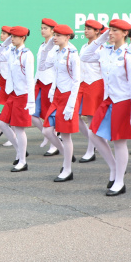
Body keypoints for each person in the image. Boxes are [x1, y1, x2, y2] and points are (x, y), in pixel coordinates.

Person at [82, 19, 131, 196]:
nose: (110, 33)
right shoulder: (105, 50)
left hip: (123, 101)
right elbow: (84, 57)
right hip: (108, 100)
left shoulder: (129, 55)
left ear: (125, 33)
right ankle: (114, 167)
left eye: (115, 30)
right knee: (93, 134)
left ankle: (119, 181)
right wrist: (100, 39)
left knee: (119, 141)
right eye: (110, 30)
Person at [39, 24, 81, 182]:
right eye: (54, 35)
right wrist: (47, 49)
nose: (54, 38)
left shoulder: (73, 55)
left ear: (67, 37)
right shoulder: (56, 52)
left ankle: (67, 169)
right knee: (47, 131)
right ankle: (66, 154)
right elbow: (42, 66)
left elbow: (76, 81)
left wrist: (71, 105)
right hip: (57, 96)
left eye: (58, 35)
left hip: (68, 96)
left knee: (65, 135)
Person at [0, 27, 36, 172]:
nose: (12, 39)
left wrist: (31, 101)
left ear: (23, 38)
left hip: (23, 95)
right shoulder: (10, 51)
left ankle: (22, 161)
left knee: (19, 129)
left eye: (15, 37)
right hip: (12, 93)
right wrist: (4, 44)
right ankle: (19, 151)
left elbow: (30, 79)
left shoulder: (27, 54)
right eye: (11, 36)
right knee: (2, 123)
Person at [77, 20, 106, 163]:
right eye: (85, 28)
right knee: (75, 116)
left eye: (89, 29)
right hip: (82, 84)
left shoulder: (102, 48)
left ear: (97, 32)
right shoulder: (84, 46)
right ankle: (95, 141)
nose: (86, 31)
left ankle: (90, 150)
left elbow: (104, 70)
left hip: (95, 83)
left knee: (91, 119)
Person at [34, 18, 59, 155]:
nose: (42, 30)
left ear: (53, 31)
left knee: (50, 115)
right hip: (39, 82)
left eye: (45, 28)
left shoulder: (56, 46)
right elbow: (39, 66)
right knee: (32, 114)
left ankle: (54, 145)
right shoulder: (41, 46)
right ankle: (47, 135)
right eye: (42, 28)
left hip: (50, 83)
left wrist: (55, 85)